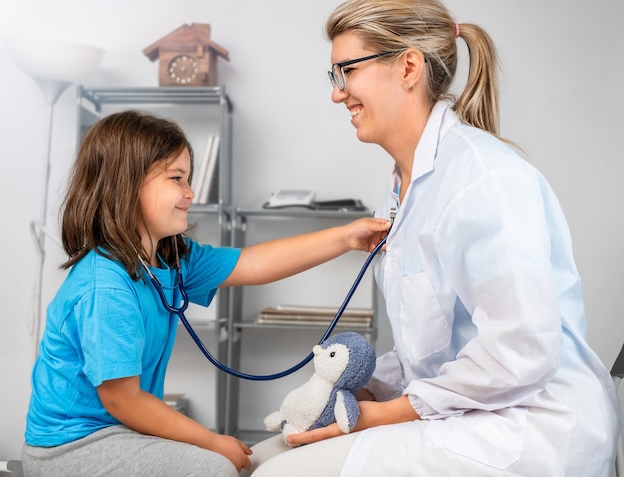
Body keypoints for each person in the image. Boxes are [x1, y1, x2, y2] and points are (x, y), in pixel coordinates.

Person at [243, 0, 621, 475]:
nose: (337, 94)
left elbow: (520, 353)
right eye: (333, 76)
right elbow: (431, 354)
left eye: (346, 72)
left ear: (407, 67)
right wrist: (355, 388)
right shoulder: (402, 186)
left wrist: (374, 416)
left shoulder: (484, 178)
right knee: (258, 457)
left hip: (529, 427)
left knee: (279, 474)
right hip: (468, 411)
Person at [21, 110, 391, 477]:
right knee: (214, 468)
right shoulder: (106, 287)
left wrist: (347, 237)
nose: (190, 192)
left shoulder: (169, 259)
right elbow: (122, 398)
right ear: (126, 184)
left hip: (119, 431)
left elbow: (254, 263)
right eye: (177, 178)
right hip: (71, 447)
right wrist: (211, 441)